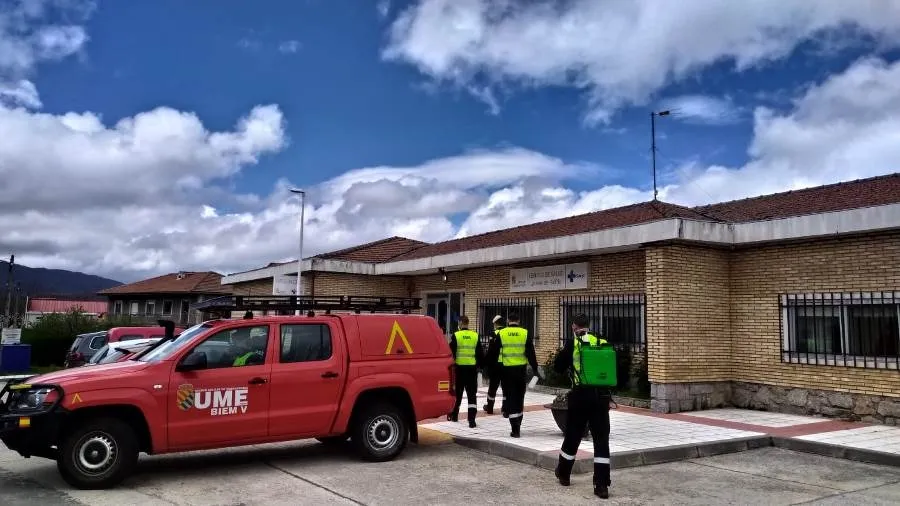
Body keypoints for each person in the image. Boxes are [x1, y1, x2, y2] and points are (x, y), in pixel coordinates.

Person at [553, 313, 612, 499]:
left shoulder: (573, 344)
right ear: (588, 325)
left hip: (580, 396)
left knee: (573, 435)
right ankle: (601, 485)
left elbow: (557, 367)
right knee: (601, 440)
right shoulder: (601, 341)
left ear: (573, 327)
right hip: (601, 397)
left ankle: (564, 473)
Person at [487, 311, 541, 438]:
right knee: (519, 397)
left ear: (508, 321)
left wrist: (489, 367)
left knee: (510, 397)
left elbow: (493, 352)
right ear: (519, 321)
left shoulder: (502, 333)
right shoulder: (525, 333)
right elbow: (531, 353)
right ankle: (519, 422)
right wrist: (535, 369)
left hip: (507, 371)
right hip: (520, 371)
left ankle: (515, 428)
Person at [448, 315, 483, 427]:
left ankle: (454, 415)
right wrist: (479, 367)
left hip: (459, 369)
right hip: (471, 370)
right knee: (472, 395)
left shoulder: (456, 335)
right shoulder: (475, 336)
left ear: (460, 323)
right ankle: (472, 420)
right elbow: (480, 354)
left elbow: (451, 352)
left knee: (458, 394)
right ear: (468, 323)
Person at [483, 315, 507, 416]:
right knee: (506, 388)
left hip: (495, 365)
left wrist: (485, 364)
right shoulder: (507, 333)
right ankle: (505, 408)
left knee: (493, 387)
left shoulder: (494, 334)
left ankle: (490, 408)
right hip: (506, 365)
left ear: (495, 324)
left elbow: (491, 351)